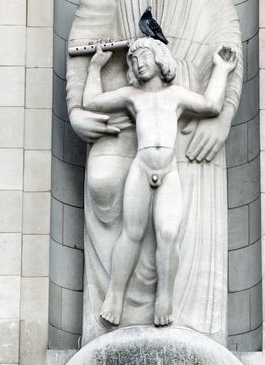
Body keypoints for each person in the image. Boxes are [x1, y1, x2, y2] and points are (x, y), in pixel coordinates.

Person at [66, 0, 244, 343]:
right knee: (104, 183)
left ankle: (184, 328)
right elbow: (86, 33)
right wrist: (76, 109)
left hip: (185, 120)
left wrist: (222, 118)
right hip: (128, 112)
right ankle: (110, 321)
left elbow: (229, 42)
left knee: (174, 230)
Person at [83, 39, 238, 327]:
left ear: (160, 59)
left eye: (145, 57)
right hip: (141, 168)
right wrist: (95, 67)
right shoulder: (132, 96)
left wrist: (221, 69)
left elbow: (211, 105)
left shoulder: (176, 95)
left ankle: (164, 298)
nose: (139, 64)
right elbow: (91, 102)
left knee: (168, 234)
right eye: (134, 60)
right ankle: (115, 296)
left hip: (168, 171)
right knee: (132, 232)